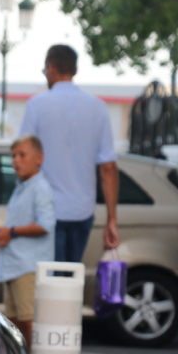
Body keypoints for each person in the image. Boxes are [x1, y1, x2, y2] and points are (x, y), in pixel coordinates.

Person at [18, 44, 119, 263]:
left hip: (46, 210)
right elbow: (108, 168)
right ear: (74, 70)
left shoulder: (36, 105)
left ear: (51, 68)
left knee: (48, 281)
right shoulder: (98, 107)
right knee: (70, 278)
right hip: (82, 211)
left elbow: (23, 159)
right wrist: (112, 219)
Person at [0, 135, 56, 346]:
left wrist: (11, 232)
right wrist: (5, 234)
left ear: (39, 158)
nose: (16, 161)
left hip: (28, 266)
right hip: (14, 264)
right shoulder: (22, 186)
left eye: (22, 155)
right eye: (13, 156)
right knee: (14, 321)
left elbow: (45, 224)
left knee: (29, 322)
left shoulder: (41, 187)